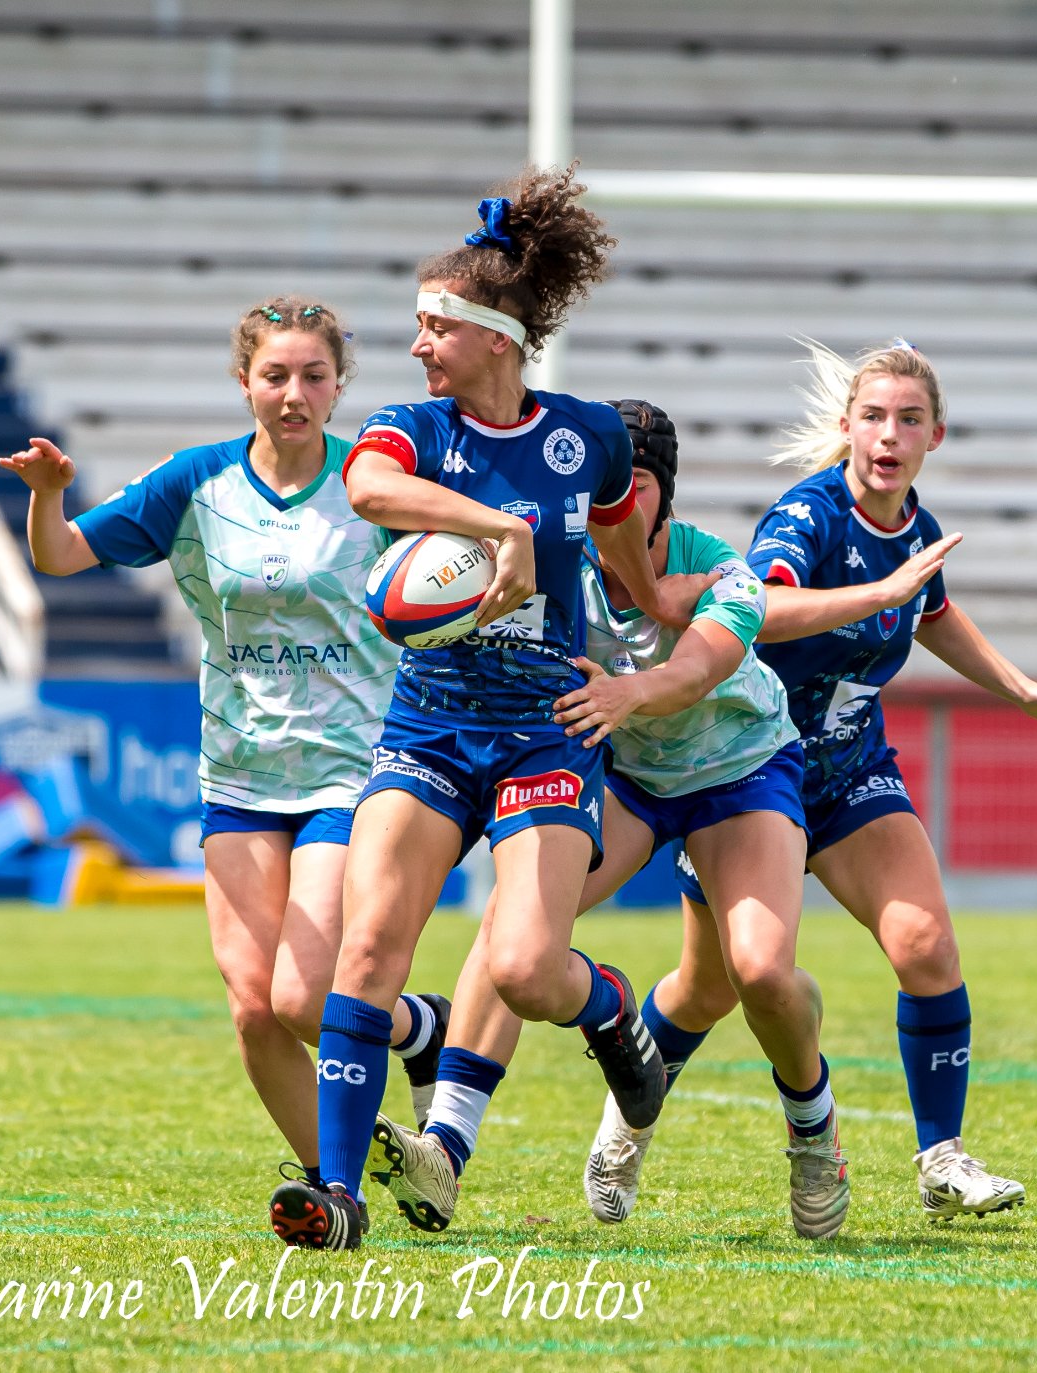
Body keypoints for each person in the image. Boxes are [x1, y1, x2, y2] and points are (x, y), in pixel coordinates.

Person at [593, 340, 1037, 1223]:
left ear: (935, 436)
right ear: (846, 429)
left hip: (847, 771)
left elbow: (936, 613)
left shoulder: (912, 529)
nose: (889, 433)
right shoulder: (809, 518)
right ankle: (627, 1125)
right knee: (712, 986)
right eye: (873, 416)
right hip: (747, 770)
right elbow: (763, 605)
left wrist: (1024, 689)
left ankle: (942, 1160)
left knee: (926, 945)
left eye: (908, 420)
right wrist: (883, 593)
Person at [266, 166, 677, 1252]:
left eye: (433, 327)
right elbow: (366, 487)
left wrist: (643, 639)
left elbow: (624, 560)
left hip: (546, 729)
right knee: (366, 954)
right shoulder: (412, 428)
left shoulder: (585, 435)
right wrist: (500, 530)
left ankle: (608, 1012)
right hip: (431, 725)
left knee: (528, 969)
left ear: (492, 335)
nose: (416, 346)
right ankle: (338, 1191)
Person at [1, 296, 451, 1220]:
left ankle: (413, 1028)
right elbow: (60, 557)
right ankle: (350, 1188)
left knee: (301, 996)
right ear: (244, 381)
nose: (294, 394)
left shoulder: (375, 483)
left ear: (339, 386)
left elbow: (455, 578)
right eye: (275, 375)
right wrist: (48, 492)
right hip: (239, 775)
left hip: (351, 769)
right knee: (253, 1011)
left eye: (314, 376)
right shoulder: (197, 482)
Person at [366, 399, 854, 1241]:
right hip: (628, 771)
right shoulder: (562, 560)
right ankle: (446, 1145)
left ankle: (813, 1129)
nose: (608, 509)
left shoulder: (719, 566)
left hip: (738, 770)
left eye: (627, 491)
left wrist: (629, 687)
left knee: (760, 973)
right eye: (595, 492)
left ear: (660, 495)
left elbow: (694, 673)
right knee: (515, 928)